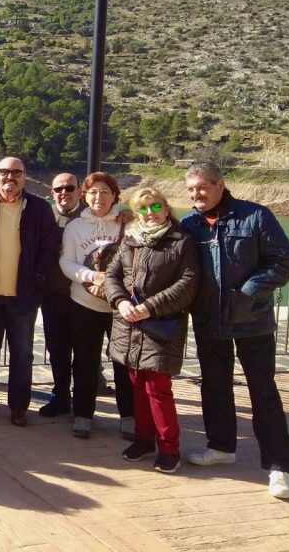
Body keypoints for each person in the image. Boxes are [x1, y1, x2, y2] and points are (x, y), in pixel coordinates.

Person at [181, 162, 289, 500]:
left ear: (220, 184)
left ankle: (279, 467)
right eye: (190, 190)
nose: (195, 195)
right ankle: (220, 447)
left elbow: (285, 261)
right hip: (208, 321)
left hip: (253, 321)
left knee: (263, 392)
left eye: (201, 187)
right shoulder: (190, 225)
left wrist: (249, 291)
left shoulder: (256, 216)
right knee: (214, 386)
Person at [106, 187, 199, 473]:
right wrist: (120, 301)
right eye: (143, 208)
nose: (150, 213)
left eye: (155, 207)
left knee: (158, 388)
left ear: (166, 208)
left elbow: (188, 283)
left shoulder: (181, 242)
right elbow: (112, 274)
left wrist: (151, 307)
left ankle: (169, 447)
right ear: (136, 213)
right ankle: (144, 439)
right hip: (130, 324)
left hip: (161, 325)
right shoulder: (131, 240)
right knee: (136, 385)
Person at [0, 157, 59, 428]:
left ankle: (18, 406)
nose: (10, 177)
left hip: (22, 295)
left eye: (16, 173)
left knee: (22, 354)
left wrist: (37, 280)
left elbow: (49, 248)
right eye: (4, 172)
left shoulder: (39, 208)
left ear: (25, 176)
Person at [59, 171, 134, 439]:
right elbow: (67, 262)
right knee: (84, 362)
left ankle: (129, 415)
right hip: (84, 303)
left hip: (121, 306)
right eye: (92, 192)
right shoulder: (75, 228)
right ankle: (83, 414)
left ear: (115, 195)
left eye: (104, 192)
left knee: (124, 363)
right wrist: (92, 276)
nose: (98, 197)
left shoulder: (128, 224)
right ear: (84, 195)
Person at [39, 172, 85, 417]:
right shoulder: (46, 216)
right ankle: (60, 396)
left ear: (79, 190)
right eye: (59, 189)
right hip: (53, 294)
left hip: (84, 297)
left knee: (83, 351)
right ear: (52, 192)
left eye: (70, 188)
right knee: (57, 349)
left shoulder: (90, 215)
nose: (64, 193)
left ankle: (82, 401)